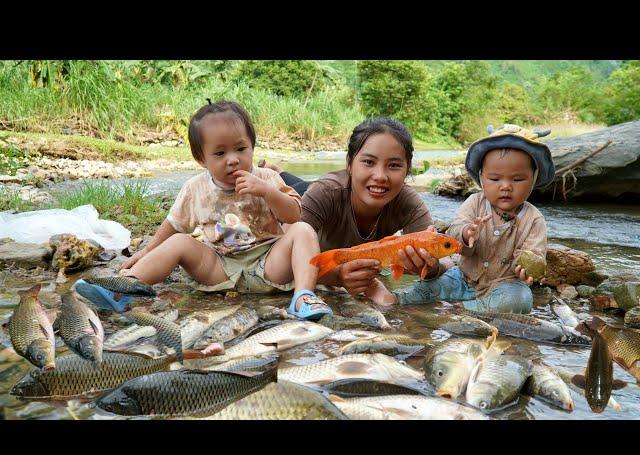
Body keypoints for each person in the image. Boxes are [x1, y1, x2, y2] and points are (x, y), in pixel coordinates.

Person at [74, 100, 332, 320]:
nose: (233, 159)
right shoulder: (195, 188)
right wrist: (145, 253)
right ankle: (123, 288)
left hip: (268, 264)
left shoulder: (266, 177)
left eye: (241, 149)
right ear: (201, 159)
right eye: (219, 153)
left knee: (303, 230)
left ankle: (303, 298)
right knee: (179, 242)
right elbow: (173, 226)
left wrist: (266, 191)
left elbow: (293, 216)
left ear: (252, 146)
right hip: (220, 266)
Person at [368, 124, 555, 313]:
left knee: (521, 300)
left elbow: (534, 253)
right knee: (432, 286)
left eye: (517, 180)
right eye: (495, 179)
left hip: (504, 285)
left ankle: (468, 308)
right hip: (462, 278)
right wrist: (466, 233)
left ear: (534, 178)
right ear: (481, 178)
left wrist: (527, 267)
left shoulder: (534, 219)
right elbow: (452, 237)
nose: (505, 186)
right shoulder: (474, 202)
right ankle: (400, 299)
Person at [265, 117, 442, 299]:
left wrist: (430, 267)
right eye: (368, 162)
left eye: (394, 165)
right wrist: (337, 277)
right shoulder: (324, 193)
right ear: (349, 163)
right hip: (311, 195)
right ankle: (276, 171)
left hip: (341, 189)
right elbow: (282, 260)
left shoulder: (409, 203)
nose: (380, 176)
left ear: (408, 170)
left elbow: (445, 264)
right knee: (296, 186)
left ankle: (280, 170)